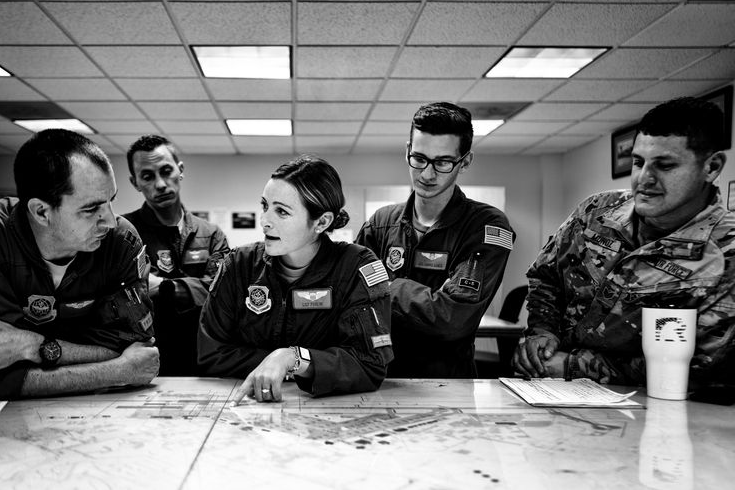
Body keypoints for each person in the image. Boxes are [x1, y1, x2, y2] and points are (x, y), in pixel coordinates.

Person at [514, 96, 735, 386]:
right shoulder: (596, 211)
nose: (644, 178)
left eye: (665, 166)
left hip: (651, 412)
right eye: (638, 162)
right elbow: (546, 276)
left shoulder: (726, 251)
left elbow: (705, 367)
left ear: (712, 166)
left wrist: (573, 366)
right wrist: (542, 334)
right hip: (549, 392)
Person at [0, 129, 159, 400]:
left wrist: (31, 346)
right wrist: (119, 371)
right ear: (41, 212)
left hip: (97, 408)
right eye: (91, 210)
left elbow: (137, 347)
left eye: (111, 202)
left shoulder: (120, 242)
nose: (111, 221)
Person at [198, 155, 393, 403]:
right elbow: (211, 354)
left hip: (325, 411)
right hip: (248, 403)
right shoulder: (239, 265)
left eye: (281, 211)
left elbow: (369, 364)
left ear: (321, 222)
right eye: (265, 206)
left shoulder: (355, 267)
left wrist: (294, 358)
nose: (265, 221)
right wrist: (277, 363)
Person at [355, 102, 515, 378]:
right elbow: (352, 303)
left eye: (442, 162)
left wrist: (384, 288)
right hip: (379, 379)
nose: (427, 174)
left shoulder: (485, 226)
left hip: (447, 383)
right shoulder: (380, 223)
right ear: (407, 151)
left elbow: (452, 319)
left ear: (465, 161)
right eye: (419, 158)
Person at [123, 135, 229, 375]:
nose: (160, 184)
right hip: (146, 358)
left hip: (205, 357)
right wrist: (196, 287)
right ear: (135, 182)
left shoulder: (211, 234)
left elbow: (222, 293)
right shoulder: (124, 234)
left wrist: (163, 287)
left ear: (180, 171)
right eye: (148, 176)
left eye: (166, 171)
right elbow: (124, 295)